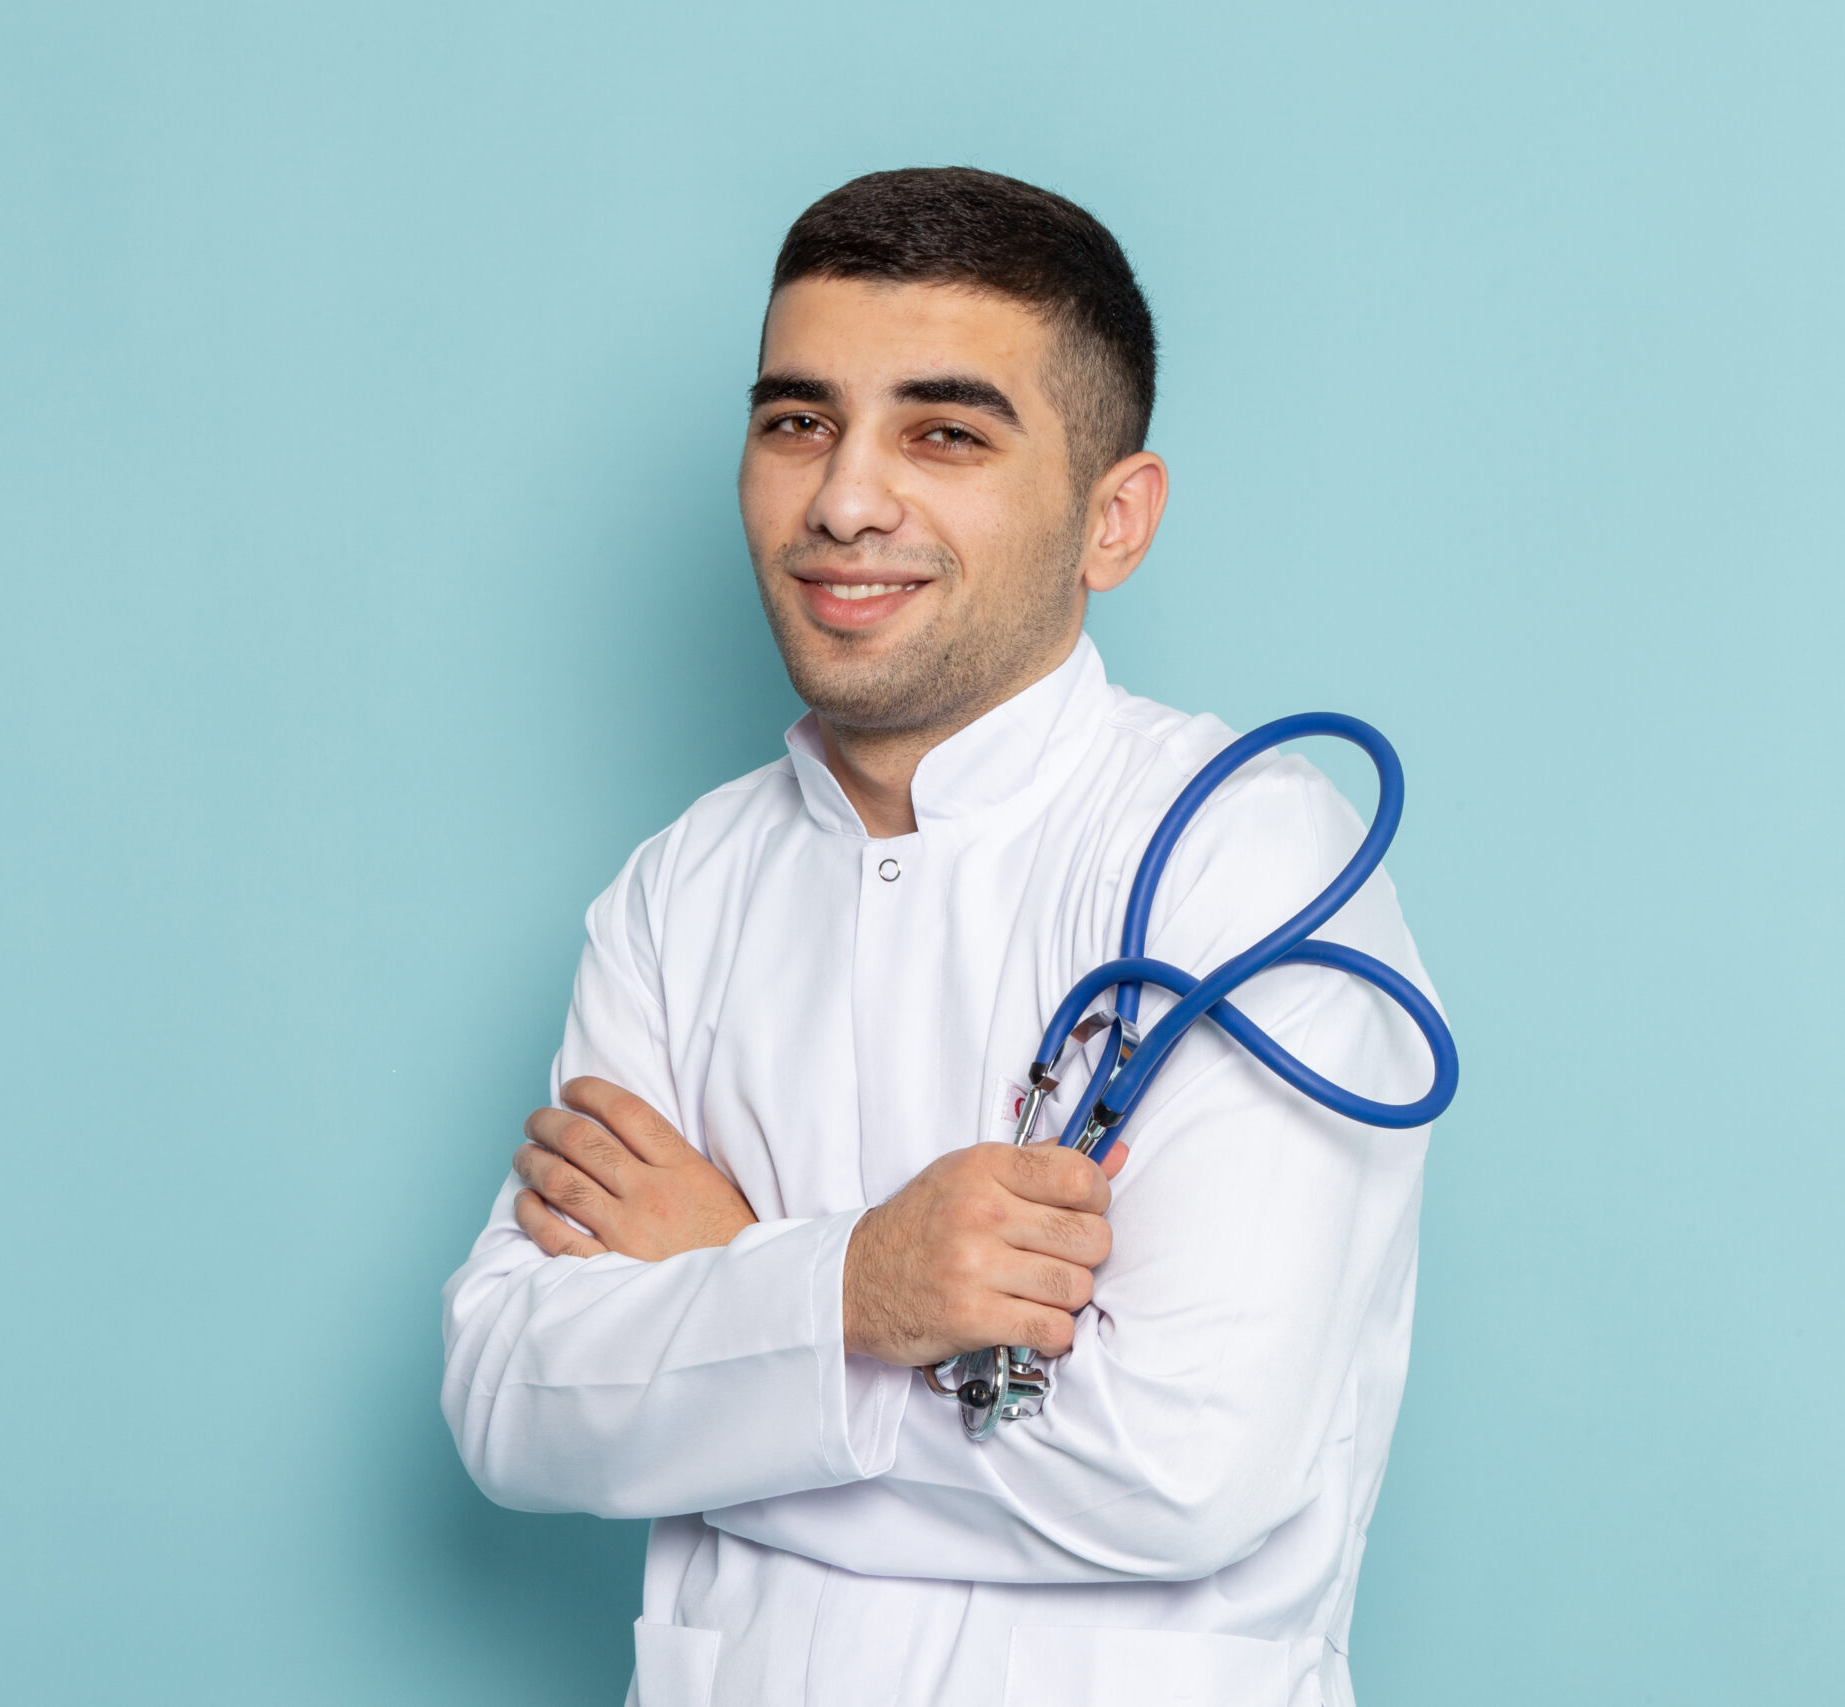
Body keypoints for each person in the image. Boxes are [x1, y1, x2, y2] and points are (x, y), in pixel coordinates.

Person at [440, 168, 1438, 1707]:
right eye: (797, 422)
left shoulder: (1244, 853)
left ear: (1114, 519)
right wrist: (855, 1291)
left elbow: (1181, 1473)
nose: (845, 496)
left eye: (945, 432)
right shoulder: (680, 887)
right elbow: (511, 1400)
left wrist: (723, 1301)